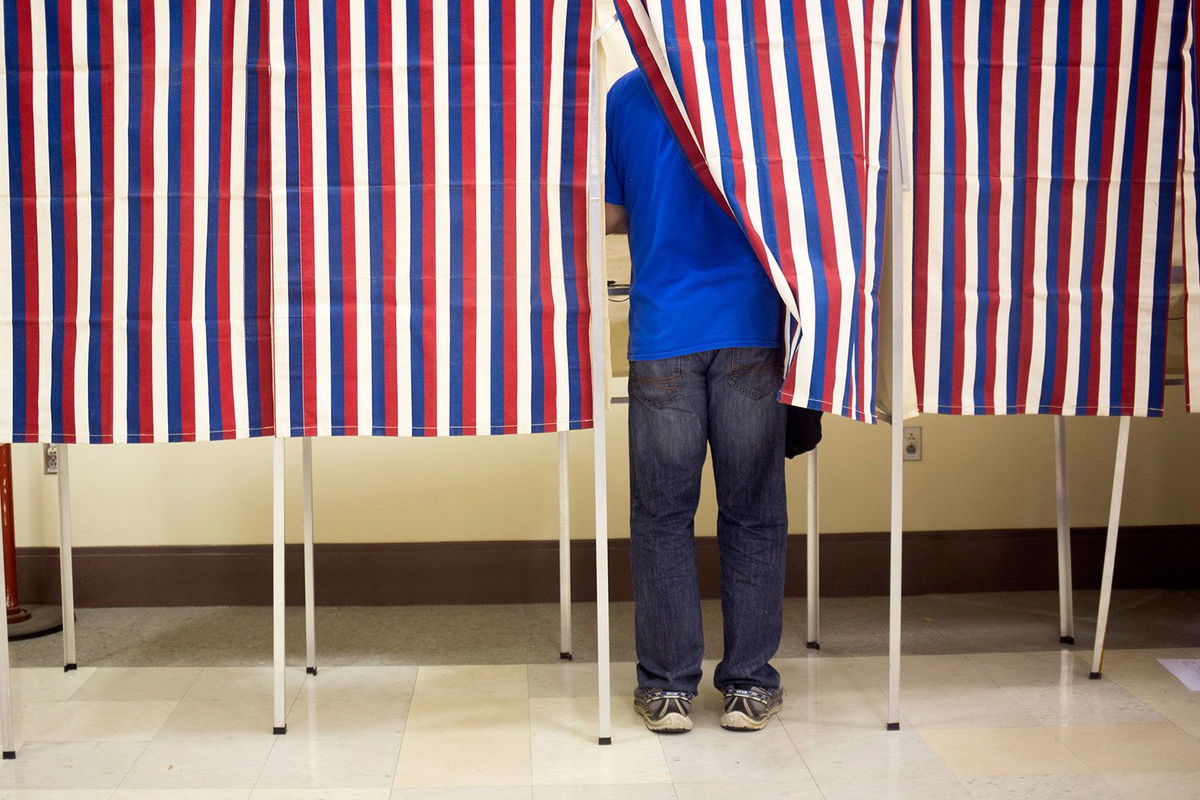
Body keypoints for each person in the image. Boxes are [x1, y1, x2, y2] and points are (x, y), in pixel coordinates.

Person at [605, 67, 788, 733]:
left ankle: (668, 689)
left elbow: (611, 212)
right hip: (752, 323)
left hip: (664, 330)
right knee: (753, 513)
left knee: (661, 515)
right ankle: (747, 686)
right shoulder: (766, 83)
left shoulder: (628, 93)